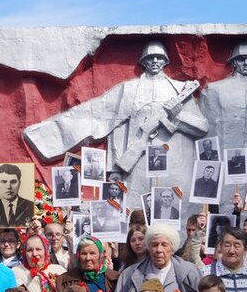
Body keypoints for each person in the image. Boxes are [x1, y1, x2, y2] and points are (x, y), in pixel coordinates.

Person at [24, 41, 208, 195]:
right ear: (143, 61)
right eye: (150, 58)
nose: (155, 61)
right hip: (137, 168)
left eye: (159, 57)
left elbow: (202, 127)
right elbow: (97, 114)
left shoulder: (180, 90)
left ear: (165, 61)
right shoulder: (130, 89)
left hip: (173, 167)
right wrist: (47, 137)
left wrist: (178, 116)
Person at [0, 164, 32, 228]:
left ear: (19, 184)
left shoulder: (30, 207)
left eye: (13, 182)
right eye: (4, 182)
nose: (8, 187)